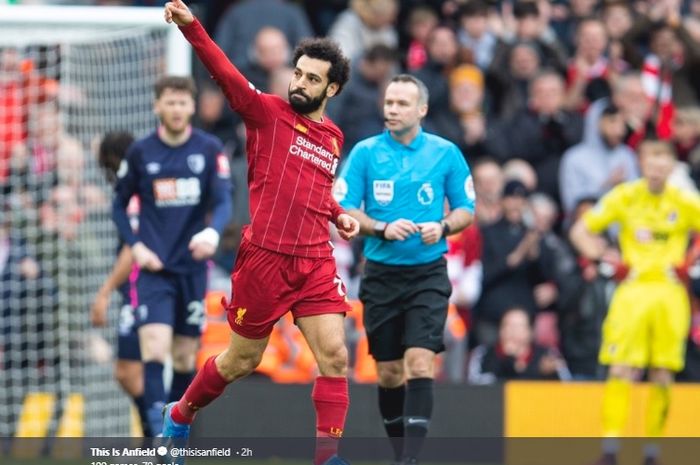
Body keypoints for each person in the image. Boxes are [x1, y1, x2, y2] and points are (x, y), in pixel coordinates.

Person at [163, 3, 360, 465]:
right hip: (265, 260)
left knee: (334, 355)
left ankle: (326, 458)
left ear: (331, 88)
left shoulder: (333, 136)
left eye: (312, 79)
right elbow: (226, 73)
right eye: (298, 73)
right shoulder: (265, 113)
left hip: (314, 259)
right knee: (241, 361)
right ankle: (181, 412)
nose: (299, 83)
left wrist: (337, 214)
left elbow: (312, 186)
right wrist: (193, 27)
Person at [335, 74, 475, 465]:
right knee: (390, 372)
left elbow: (467, 208)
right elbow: (343, 207)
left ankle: (410, 459)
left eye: (401, 103)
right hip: (379, 272)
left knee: (419, 360)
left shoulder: (445, 153)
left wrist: (443, 226)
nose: (392, 109)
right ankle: (401, 454)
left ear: (422, 110)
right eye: (389, 102)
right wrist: (380, 227)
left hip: (428, 272)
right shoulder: (365, 153)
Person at [112, 75, 233, 435]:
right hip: (153, 269)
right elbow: (118, 206)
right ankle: (156, 439)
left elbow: (224, 198)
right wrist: (136, 247)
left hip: (192, 269)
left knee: (183, 356)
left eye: (183, 102)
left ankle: (172, 435)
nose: (177, 108)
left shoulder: (209, 149)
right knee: (154, 348)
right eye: (170, 101)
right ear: (158, 106)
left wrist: (212, 232)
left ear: (192, 107)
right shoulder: (141, 152)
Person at [570, 140, 700, 465]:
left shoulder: (685, 201)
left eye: (662, 161)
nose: (656, 167)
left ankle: (652, 452)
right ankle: (611, 449)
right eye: (650, 160)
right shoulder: (625, 196)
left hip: (670, 293)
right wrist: (604, 258)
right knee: (620, 367)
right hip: (632, 290)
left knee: (662, 371)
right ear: (641, 163)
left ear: (671, 166)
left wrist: (691, 261)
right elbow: (580, 231)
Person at [90, 131, 153, 436]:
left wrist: (103, 293)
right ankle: (156, 440)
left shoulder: (137, 189)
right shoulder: (131, 188)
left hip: (146, 290)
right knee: (131, 372)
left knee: (129, 371)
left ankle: (160, 438)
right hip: (138, 290)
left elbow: (133, 248)